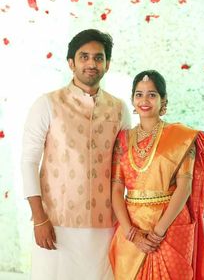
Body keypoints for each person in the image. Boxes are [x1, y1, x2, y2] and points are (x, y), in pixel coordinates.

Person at [21, 29, 130, 280]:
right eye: (84, 57)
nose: (91, 63)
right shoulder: (47, 104)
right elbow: (28, 161)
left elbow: (126, 166)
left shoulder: (119, 109)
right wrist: (39, 218)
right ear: (71, 63)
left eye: (98, 58)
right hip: (56, 222)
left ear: (107, 64)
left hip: (104, 224)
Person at [109, 70, 204, 280]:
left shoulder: (181, 138)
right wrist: (132, 233)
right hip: (132, 228)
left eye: (152, 94)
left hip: (171, 226)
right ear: (132, 99)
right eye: (139, 94)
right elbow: (117, 188)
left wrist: (158, 233)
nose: (144, 100)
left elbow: (184, 188)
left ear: (163, 100)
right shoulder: (122, 139)